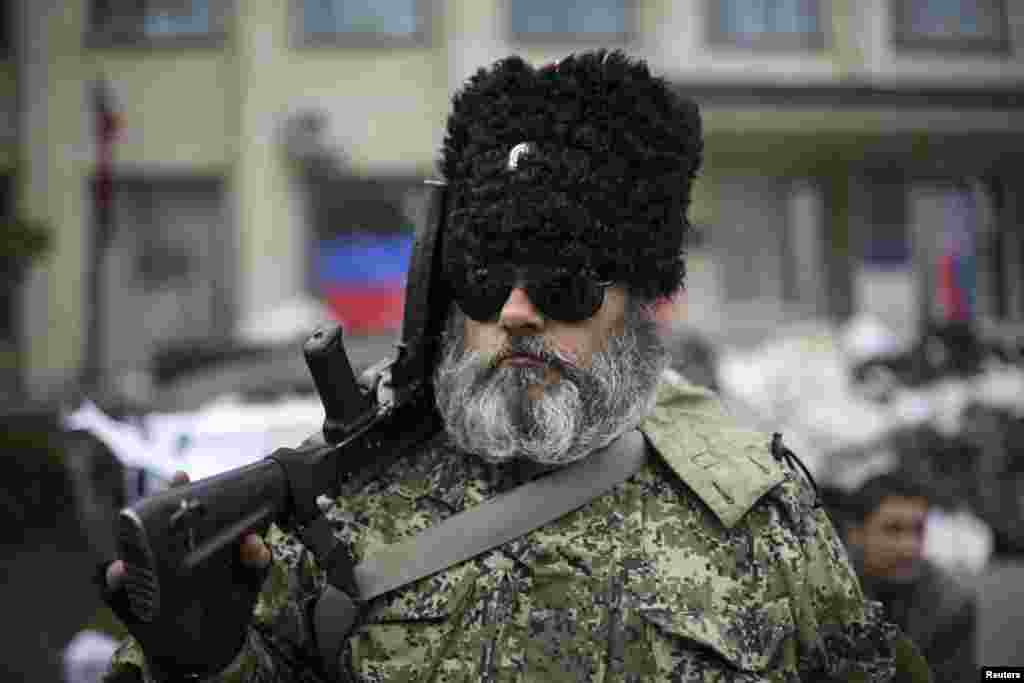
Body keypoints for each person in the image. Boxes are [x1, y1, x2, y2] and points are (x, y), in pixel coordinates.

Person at [100, 50, 931, 682]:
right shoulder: (339, 518)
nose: (517, 311)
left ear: (635, 298)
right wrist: (195, 661)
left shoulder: (760, 517)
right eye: (489, 281)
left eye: (563, 286)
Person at [844, 473, 975, 683]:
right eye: (893, 529)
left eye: (918, 530)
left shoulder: (951, 603)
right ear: (856, 533)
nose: (910, 548)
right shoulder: (823, 594)